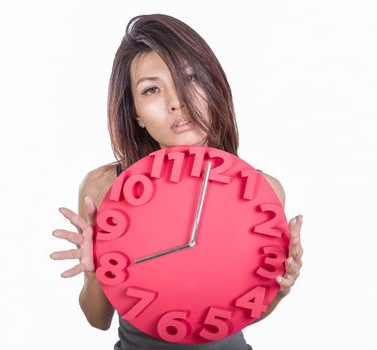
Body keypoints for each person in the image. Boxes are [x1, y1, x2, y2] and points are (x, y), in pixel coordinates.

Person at [50, 14, 304, 350]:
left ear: (214, 87)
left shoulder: (260, 191)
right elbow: (98, 320)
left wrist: (280, 288)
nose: (176, 102)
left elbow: (244, 315)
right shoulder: (103, 188)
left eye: (191, 79)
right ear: (136, 112)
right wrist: (96, 270)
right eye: (152, 89)